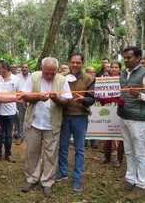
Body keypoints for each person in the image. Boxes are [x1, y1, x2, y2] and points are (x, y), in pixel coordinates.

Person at [21, 57, 72, 198]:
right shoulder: (34, 77)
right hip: (34, 123)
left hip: (52, 124)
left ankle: (47, 182)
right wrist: (37, 97)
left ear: (56, 70)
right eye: (46, 73)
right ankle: (32, 178)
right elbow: (24, 96)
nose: (49, 76)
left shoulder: (62, 80)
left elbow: (67, 101)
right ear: (41, 69)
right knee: (32, 152)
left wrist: (55, 98)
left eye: (52, 73)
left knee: (51, 154)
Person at [117, 46, 145, 201]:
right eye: (125, 57)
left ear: (139, 57)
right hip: (124, 116)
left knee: (140, 152)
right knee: (129, 151)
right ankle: (130, 180)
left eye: (129, 57)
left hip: (139, 120)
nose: (126, 60)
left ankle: (141, 185)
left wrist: (140, 95)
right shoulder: (123, 74)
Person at [55, 52, 95, 192]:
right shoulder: (62, 78)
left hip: (80, 117)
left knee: (79, 149)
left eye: (78, 62)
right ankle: (63, 171)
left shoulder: (89, 78)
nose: (75, 65)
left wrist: (84, 100)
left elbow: (92, 99)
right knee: (63, 146)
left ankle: (77, 178)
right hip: (65, 116)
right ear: (70, 62)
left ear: (82, 63)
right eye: (73, 62)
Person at [0, 60, 20, 164]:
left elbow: (19, 94)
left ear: (5, 68)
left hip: (11, 111)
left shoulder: (16, 79)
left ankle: (8, 154)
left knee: (9, 134)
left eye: (0, 68)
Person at [101, 62, 124, 167]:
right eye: (112, 67)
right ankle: (107, 157)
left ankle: (119, 159)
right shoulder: (105, 80)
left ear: (120, 69)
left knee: (121, 136)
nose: (114, 69)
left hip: (121, 109)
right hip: (108, 109)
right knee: (107, 134)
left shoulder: (124, 80)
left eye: (116, 67)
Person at [14, 62, 30, 145]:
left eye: (26, 67)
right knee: (20, 119)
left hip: (31, 101)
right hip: (20, 101)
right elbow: (15, 89)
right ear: (21, 68)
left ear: (28, 68)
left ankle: (29, 137)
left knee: (31, 119)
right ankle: (20, 137)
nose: (24, 69)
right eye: (23, 67)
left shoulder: (31, 77)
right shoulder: (17, 78)